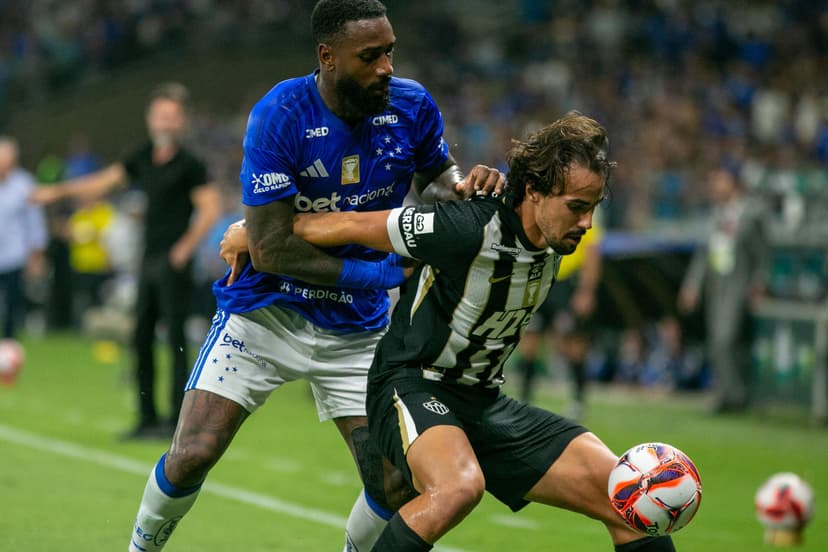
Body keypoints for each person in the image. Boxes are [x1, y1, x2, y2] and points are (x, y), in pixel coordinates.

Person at [123, 2, 503, 551]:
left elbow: (438, 176)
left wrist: (463, 189)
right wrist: (380, 273)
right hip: (266, 314)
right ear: (328, 57)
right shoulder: (281, 113)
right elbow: (269, 249)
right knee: (192, 453)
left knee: (394, 482)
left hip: (355, 332)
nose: (386, 67)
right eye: (369, 56)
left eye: (389, 52)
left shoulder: (411, 104)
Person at [290, 112, 677, 552]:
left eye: (592, 208)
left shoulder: (554, 239)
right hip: (410, 384)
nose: (586, 223)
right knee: (458, 487)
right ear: (533, 192)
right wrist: (256, 235)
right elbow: (348, 226)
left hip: (483, 401)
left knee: (630, 499)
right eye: (576, 207)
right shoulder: (468, 226)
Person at [31, 83, 222, 437]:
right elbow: (104, 182)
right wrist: (58, 191)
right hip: (148, 259)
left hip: (174, 263)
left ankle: (176, 422)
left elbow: (210, 208)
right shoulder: (142, 156)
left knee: (177, 340)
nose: (165, 122)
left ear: (182, 121)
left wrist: (185, 247)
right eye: (160, 115)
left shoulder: (190, 165)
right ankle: (147, 418)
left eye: (172, 116)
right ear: (150, 119)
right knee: (141, 337)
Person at [678, 167, 769, 413]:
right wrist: (692, 286)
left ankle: (735, 395)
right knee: (716, 341)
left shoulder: (751, 213)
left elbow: (762, 253)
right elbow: (703, 256)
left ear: (733, 183)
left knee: (724, 338)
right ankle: (726, 394)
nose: (715, 186)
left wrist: (759, 283)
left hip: (738, 284)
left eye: (720, 180)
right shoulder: (716, 214)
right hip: (716, 285)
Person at [517, 209, 602, 417]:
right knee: (529, 343)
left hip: (567, 285)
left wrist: (586, 291)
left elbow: (592, 253)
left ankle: (578, 400)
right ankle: (524, 400)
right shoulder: (545, 211)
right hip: (541, 280)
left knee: (573, 345)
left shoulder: (582, 215)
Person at [0, 136, 47, 339]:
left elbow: (34, 221)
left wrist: (36, 254)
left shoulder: (24, 184)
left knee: (12, 302)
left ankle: (9, 342)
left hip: (14, 254)